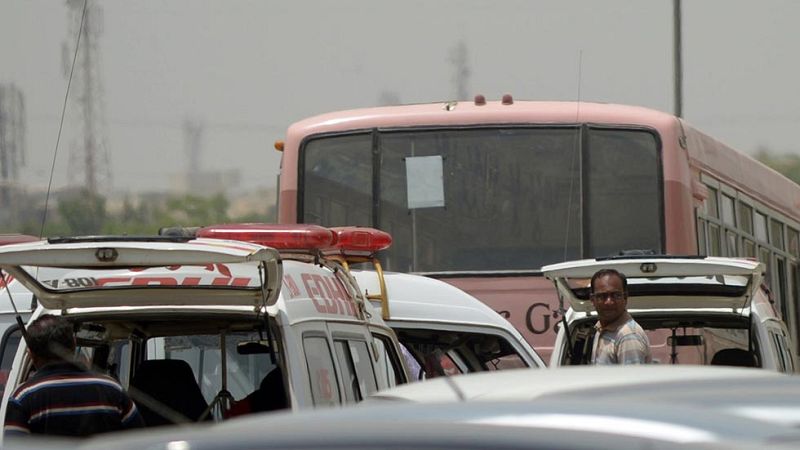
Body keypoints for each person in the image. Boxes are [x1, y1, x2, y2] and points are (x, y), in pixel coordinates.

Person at [4, 314, 145, 438]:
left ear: (31, 354)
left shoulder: (23, 397)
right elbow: (140, 441)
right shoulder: (112, 389)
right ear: (74, 344)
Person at [589, 269, 652, 365]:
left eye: (615, 295)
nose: (609, 302)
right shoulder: (600, 328)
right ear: (593, 300)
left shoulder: (628, 336)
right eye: (602, 296)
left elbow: (632, 379)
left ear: (625, 298)